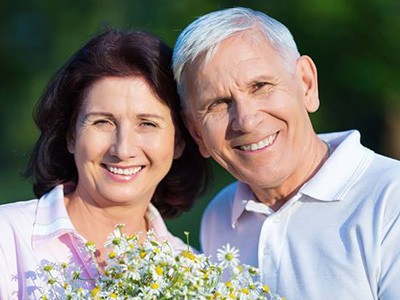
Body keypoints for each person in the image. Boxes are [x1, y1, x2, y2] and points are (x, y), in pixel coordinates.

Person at [172, 7, 400, 299]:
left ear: (306, 83)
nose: (246, 120)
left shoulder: (390, 200)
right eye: (218, 103)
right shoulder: (218, 217)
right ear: (195, 132)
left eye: (260, 86)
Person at [0, 28, 207, 299]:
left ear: (179, 141)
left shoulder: (192, 272)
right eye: (102, 122)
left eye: (147, 123)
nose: (123, 149)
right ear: (71, 135)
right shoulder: (7, 236)